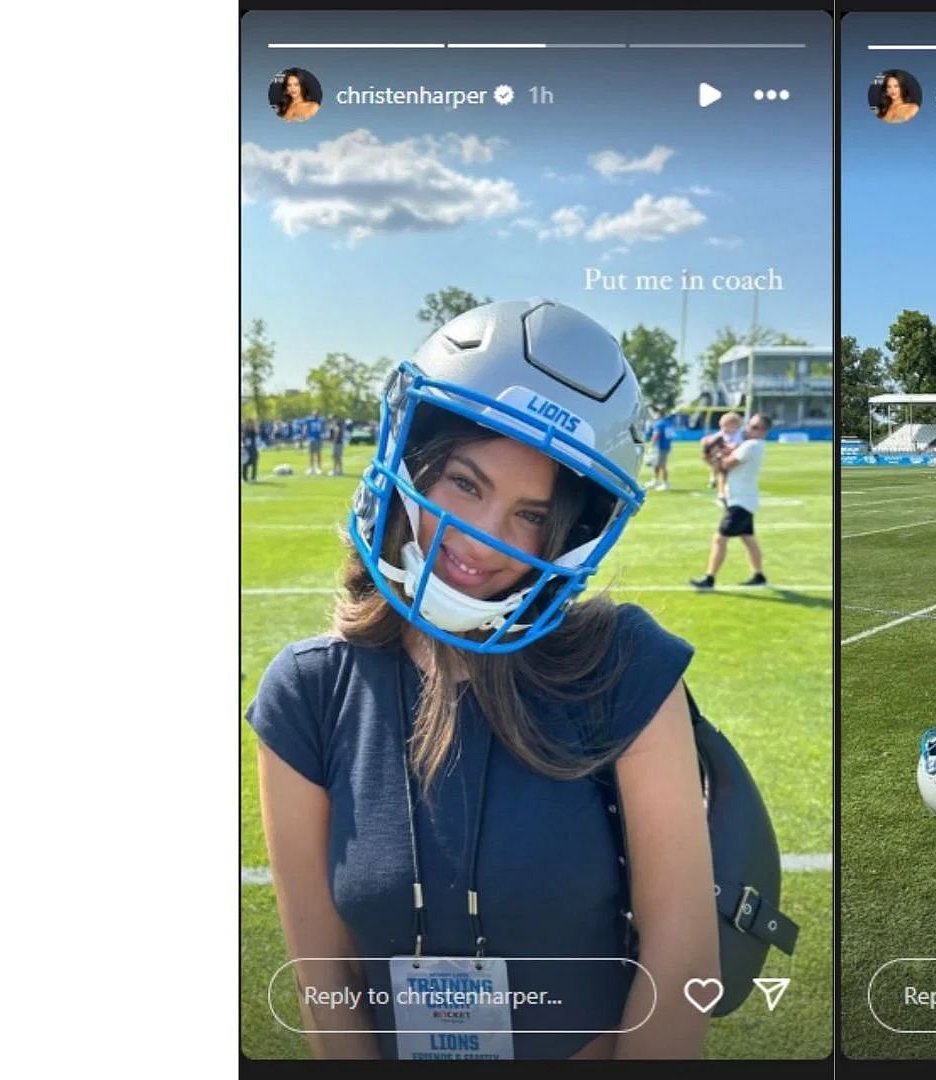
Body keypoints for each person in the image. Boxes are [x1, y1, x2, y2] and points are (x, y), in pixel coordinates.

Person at [247, 299, 717, 1061]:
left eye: (532, 515)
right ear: (413, 459)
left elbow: (684, 956)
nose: (482, 540)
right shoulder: (308, 692)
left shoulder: (622, 663)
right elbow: (323, 984)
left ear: (573, 532)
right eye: (466, 485)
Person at [690, 414, 768, 589]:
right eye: (750, 425)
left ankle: (709, 579)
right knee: (748, 538)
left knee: (720, 538)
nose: (749, 429)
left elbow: (725, 465)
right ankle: (759, 575)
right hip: (744, 499)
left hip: (741, 501)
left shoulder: (751, 445)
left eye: (755, 427)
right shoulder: (753, 445)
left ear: (764, 431)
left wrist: (714, 455)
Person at [648, 408, 674, 491]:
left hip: (659, 447)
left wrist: (651, 445)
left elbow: (656, 435)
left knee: (662, 465)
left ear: (659, 414)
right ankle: (655, 480)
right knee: (656, 465)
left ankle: (665, 483)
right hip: (666, 446)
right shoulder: (668, 423)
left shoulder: (659, 424)